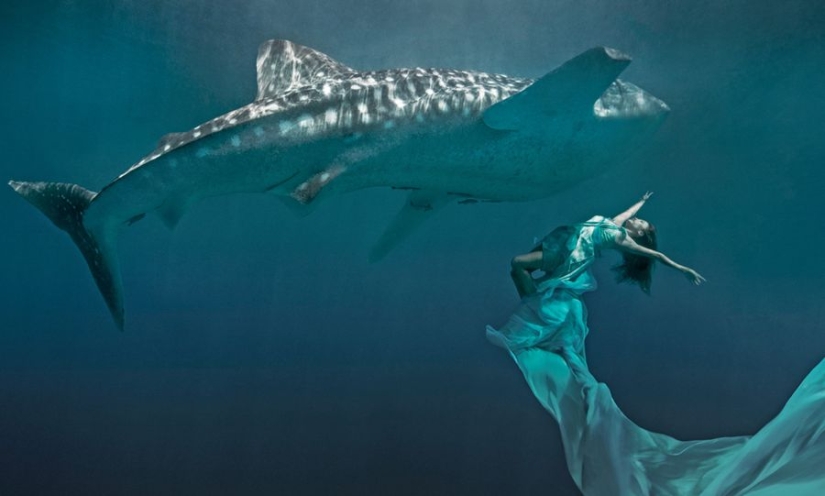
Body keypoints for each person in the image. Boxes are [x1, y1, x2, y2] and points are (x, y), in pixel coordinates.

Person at [487, 193, 825, 496]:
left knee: (520, 267)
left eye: (640, 223)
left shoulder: (622, 238)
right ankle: (538, 314)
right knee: (522, 270)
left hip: (567, 252)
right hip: (562, 243)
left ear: (636, 234)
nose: (635, 221)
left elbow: (654, 254)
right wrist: (641, 203)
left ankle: (536, 316)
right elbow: (621, 216)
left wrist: (683, 268)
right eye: (639, 219)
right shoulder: (615, 224)